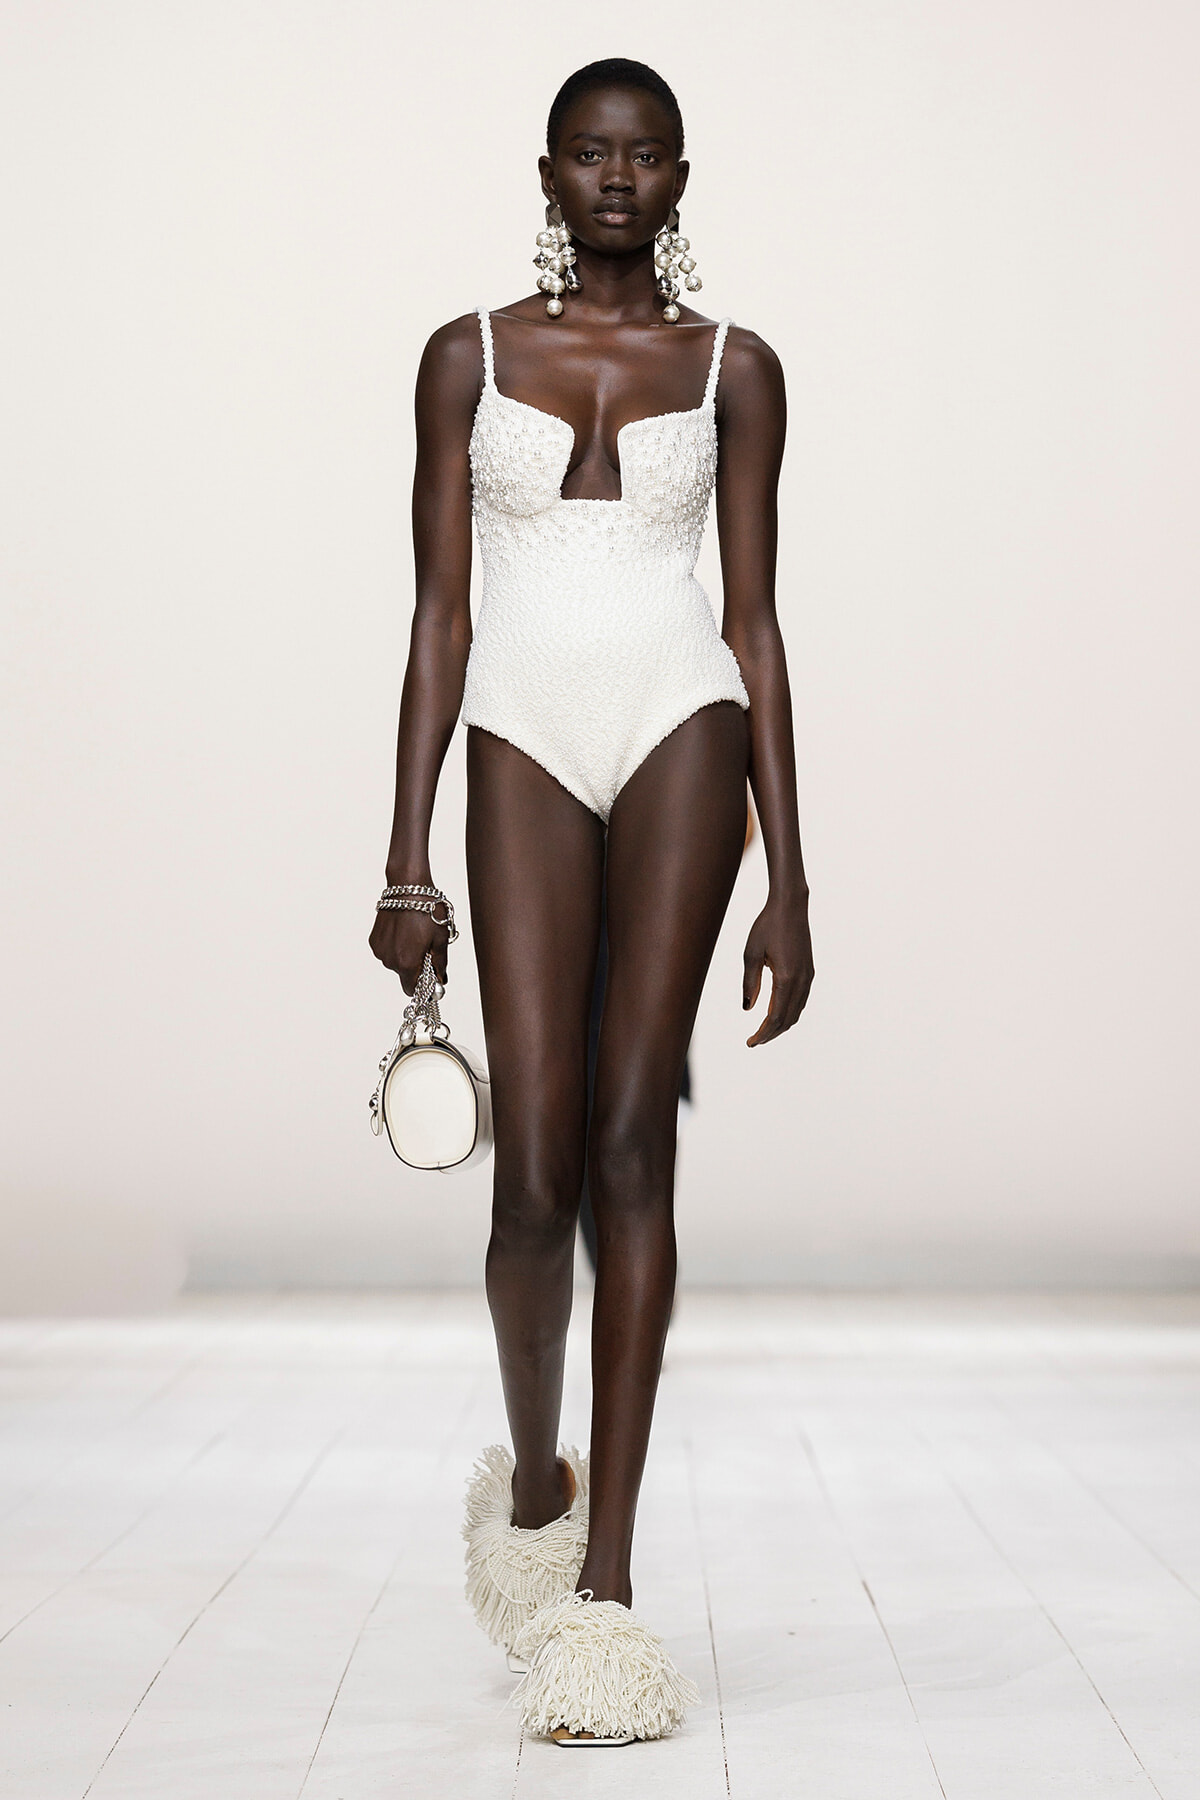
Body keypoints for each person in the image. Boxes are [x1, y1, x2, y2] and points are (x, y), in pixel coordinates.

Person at [370, 57, 814, 1747]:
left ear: (678, 177)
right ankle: (543, 1489)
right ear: (548, 174)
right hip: (522, 731)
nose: (617, 180)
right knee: (531, 1173)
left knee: (635, 1138)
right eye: (590, 155)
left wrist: (794, 872)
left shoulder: (737, 368)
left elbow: (759, 622)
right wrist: (406, 856)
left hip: (684, 715)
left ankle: (610, 1598)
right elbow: (435, 620)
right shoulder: (468, 359)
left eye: (645, 158)